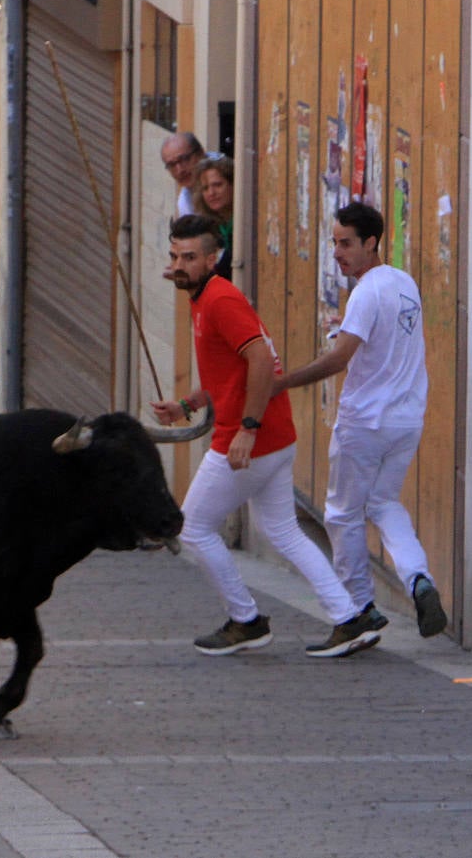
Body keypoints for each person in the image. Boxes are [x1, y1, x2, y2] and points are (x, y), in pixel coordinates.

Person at [150, 215, 381, 658]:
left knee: (194, 528)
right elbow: (231, 372)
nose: (180, 264)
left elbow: (259, 360)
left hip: (250, 437)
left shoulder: (219, 299)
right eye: (175, 256)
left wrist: (247, 430)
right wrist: (189, 405)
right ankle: (348, 618)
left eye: (190, 257)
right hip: (273, 435)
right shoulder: (203, 297)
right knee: (283, 530)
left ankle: (246, 620)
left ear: (213, 259)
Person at [271, 201, 448, 638]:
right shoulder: (404, 283)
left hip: (365, 422)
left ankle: (358, 607)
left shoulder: (366, 292)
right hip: (406, 421)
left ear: (371, 243)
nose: (337, 252)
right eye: (334, 242)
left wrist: (282, 383)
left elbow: (340, 359)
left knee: (342, 513)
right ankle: (418, 579)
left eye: (346, 243)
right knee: (384, 503)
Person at [190, 155, 233, 281]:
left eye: (218, 185)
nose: (211, 193)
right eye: (205, 188)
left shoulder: (243, 224)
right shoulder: (209, 230)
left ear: (233, 185)